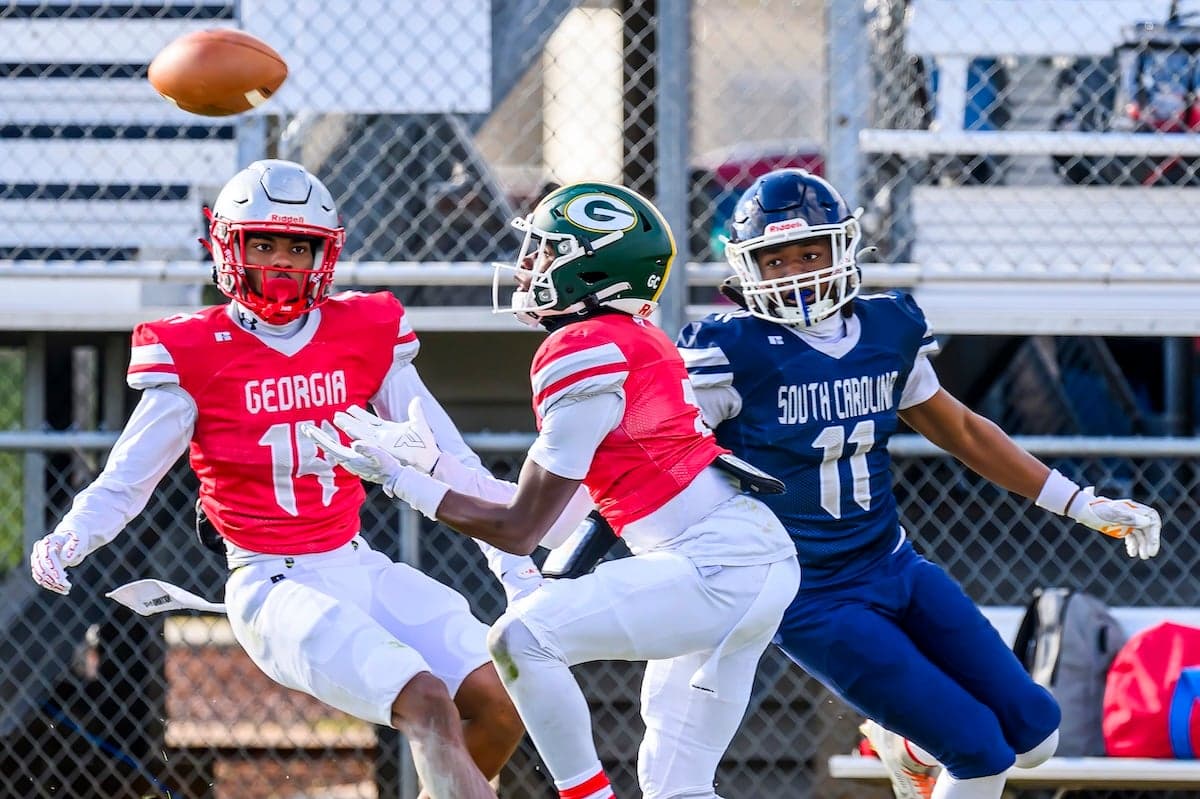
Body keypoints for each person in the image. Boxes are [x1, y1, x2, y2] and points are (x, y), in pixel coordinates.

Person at [27, 159, 530, 799]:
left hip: (358, 562)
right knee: (426, 702)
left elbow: (448, 458)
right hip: (273, 584)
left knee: (504, 701)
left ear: (326, 252)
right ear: (227, 246)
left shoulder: (364, 330)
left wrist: (518, 556)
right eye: (262, 242)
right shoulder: (194, 350)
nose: (283, 260)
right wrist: (71, 535)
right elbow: (127, 480)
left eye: (300, 245)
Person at [303, 181, 802, 799]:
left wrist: (402, 481)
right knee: (679, 788)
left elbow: (521, 528)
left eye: (546, 250)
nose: (528, 265)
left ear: (589, 266)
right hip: (755, 562)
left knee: (521, 637)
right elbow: (556, 522)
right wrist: (432, 464)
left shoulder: (581, 349)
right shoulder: (631, 341)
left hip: (715, 567)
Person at [674, 168, 1163, 799]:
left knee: (1036, 736)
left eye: (810, 252)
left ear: (842, 247)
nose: (796, 271)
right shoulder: (729, 351)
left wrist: (1081, 504)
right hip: (805, 594)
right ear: (746, 268)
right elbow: (669, 459)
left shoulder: (885, 330)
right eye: (775, 259)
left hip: (892, 562)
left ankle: (905, 745)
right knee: (981, 754)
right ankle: (924, 747)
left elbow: (961, 430)